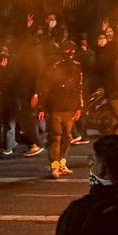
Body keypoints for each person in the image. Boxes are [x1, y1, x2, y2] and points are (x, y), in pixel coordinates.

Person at [39, 41, 83, 179]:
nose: (70, 53)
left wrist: (79, 107)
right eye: (67, 50)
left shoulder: (77, 67)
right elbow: (46, 87)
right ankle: (55, 165)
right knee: (55, 137)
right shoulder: (55, 67)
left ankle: (62, 162)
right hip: (55, 108)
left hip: (69, 109)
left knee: (67, 137)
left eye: (72, 50)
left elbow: (79, 88)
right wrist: (43, 107)